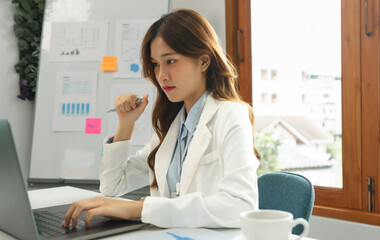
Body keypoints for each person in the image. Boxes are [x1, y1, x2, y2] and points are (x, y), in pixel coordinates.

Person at [62, 9, 261, 229]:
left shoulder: (230, 114)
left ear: (203, 61)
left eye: (171, 61)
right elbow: (112, 186)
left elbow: (241, 207)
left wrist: (140, 209)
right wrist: (126, 124)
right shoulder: (172, 126)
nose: (161, 75)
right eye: (156, 64)